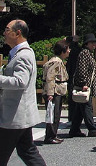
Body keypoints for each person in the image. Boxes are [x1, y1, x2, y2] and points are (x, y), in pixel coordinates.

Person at [0, 19, 47, 165]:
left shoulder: (23, 55)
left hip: (14, 117)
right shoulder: (19, 53)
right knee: (28, 151)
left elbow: (20, 81)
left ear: (17, 33)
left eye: (7, 30)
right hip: (19, 115)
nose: (4, 33)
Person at [68, 33, 96, 137]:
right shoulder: (84, 53)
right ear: (87, 43)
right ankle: (92, 129)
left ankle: (74, 129)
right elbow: (82, 70)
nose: (94, 45)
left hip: (85, 85)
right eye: (92, 43)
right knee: (87, 107)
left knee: (80, 109)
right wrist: (84, 83)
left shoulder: (87, 53)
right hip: (84, 86)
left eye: (95, 43)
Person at [42, 39, 70, 144]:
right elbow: (50, 77)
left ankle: (53, 134)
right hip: (54, 92)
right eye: (67, 49)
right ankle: (50, 136)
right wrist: (50, 93)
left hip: (56, 91)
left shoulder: (57, 61)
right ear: (63, 51)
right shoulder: (56, 62)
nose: (69, 51)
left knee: (55, 114)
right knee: (53, 114)